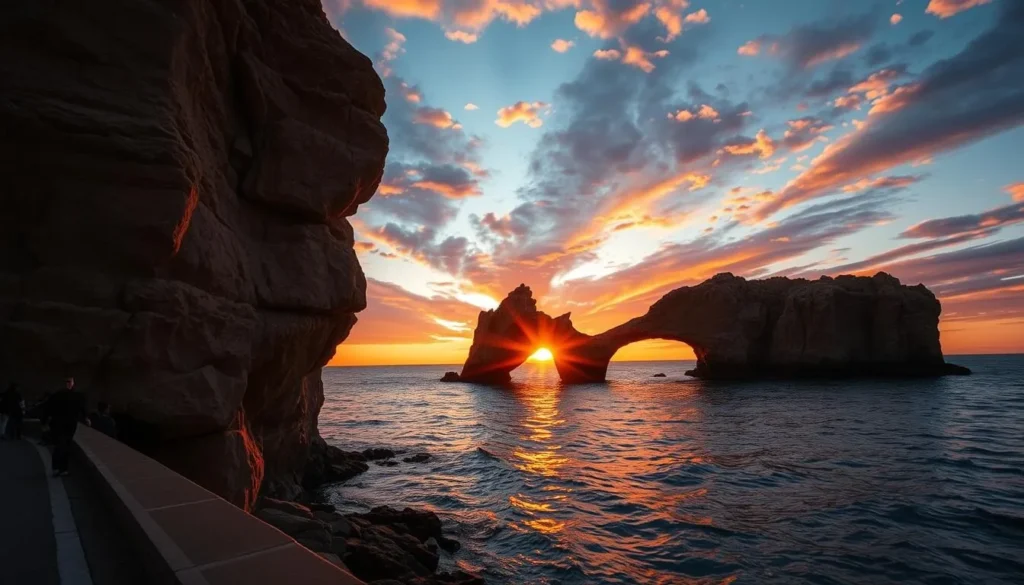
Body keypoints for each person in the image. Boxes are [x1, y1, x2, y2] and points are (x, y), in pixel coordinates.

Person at [42, 377, 87, 476]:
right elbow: (82, 409)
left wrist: (45, 421)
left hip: (58, 423)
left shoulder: (57, 395)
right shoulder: (78, 396)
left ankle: (56, 467)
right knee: (66, 444)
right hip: (70, 423)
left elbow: (47, 408)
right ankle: (63, 468)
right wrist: (85, 419)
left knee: (59, 444)